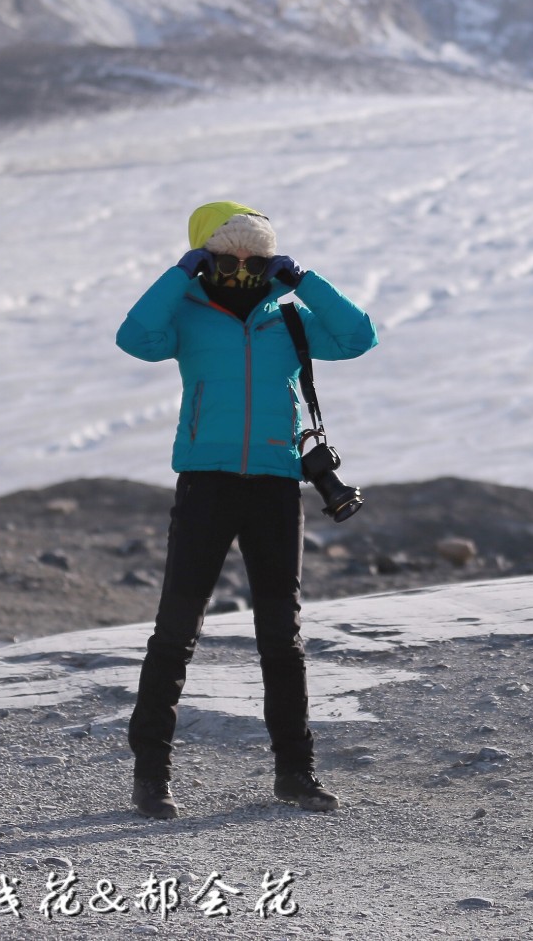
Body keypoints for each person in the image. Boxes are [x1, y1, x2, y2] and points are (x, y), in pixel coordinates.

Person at [114, 201, 378, 820]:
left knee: (281, 637)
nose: (241, 266)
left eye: (253, 256)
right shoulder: (186, 312)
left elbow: (358, 336)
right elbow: (134, 338)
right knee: (176, 632)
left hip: (275, 484)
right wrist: (181, 274)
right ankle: (151, 777)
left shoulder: (289, 316)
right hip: (205, 482)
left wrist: (302, 279)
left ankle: (296, 773)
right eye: (226, 255)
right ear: (204, 253)